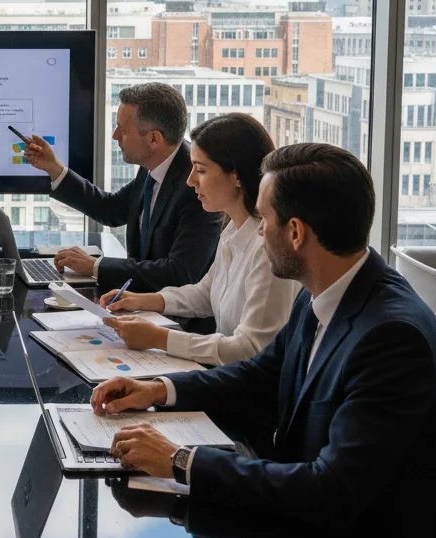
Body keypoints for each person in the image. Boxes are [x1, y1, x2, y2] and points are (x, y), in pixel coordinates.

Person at [89, 143, 436, 538]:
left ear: (295, 232)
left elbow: (332, 491)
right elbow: (260, 376)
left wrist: (180, 460)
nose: (258, 230)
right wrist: (158, 389)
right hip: (303, 518)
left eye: (265, 219)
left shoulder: (393, 339)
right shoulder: (323, 290)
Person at [100, 113, 298, 366]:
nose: (190, 180)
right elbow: (205, 294)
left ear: (236, 176)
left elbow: (250, 348)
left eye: (201, 170)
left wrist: (159, 338)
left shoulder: (267, 250)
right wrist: (142, 300)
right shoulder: (232, 230)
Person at [23, 81, 221, 291]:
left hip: (173, 310)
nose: (115, 135)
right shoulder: (154, 164)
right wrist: (54, 168)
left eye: (123, 130)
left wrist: (96, 266)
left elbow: (179, 273)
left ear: (154, 139)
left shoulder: (196, 185)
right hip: (138, 300)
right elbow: (111, 209)